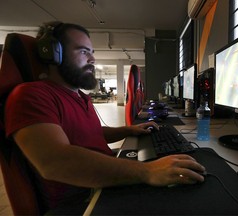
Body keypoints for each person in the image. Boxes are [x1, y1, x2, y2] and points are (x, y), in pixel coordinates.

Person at [4, 22, 205, 214]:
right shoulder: (31, 96)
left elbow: (89, 132)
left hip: (105, 182)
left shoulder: (80, 96)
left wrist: (129, 130)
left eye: (92, 52)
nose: (92, 59)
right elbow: (55, 161)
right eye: (83, 51)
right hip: (85, 200)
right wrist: (146, 171)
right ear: (53, 54)